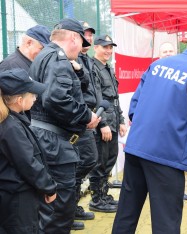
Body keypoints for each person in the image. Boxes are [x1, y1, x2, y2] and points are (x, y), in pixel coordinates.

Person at [112, 22, 187, 233]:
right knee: (166, 221)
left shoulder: (158, 65)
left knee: (126, 213)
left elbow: (134, 108)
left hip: (136, 148)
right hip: (167, 156)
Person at [29, 18, 100, 234]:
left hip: (45, 139)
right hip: (54, 144)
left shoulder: (44, 56)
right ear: (73, 38)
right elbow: (56, 99)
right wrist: (86, 116)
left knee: (49, 208)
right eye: (81, 43)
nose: (81, 50)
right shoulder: (58, 59)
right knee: (60, 211)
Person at [0, 68, 57, 233]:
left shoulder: (11, 121)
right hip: (18, 199)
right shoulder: (10, 126)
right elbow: (28, 163)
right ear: (19, 99)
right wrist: (49, 187)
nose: (35, 97)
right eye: (32, 94)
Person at [89, 35, 127, 213]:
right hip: (102, 122)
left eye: (111, 47)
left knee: (110, 158)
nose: (108, 51)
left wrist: (120, 120)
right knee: (100, 162)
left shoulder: (108, 68)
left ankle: (104, 195)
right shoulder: (92, 68)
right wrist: (102, 123)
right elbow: (96, 98)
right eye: (105, 47)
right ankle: (97, 199)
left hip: (113, 120)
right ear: (95, 48)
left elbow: (115, 98)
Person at [70, 21, 100, 230]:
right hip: (77, 120)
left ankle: (72, 205)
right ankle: (68, 208)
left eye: (90, 35)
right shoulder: (69, 60)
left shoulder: (85, 60)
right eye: (84, 34)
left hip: (89, 117)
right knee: (82, 161)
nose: (87, 38)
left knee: (88, 160)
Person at [158, 41, 187, 201]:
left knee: (177, 161)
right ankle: (163, 192)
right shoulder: (154, 72)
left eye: (171, 51)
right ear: (159, 55)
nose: (168, 54)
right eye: (164, 51)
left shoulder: (182, 72)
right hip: (159, 127)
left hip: (176, 127)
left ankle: (178, 191)